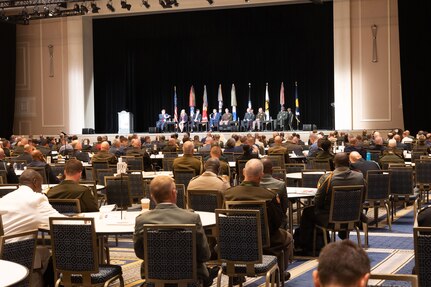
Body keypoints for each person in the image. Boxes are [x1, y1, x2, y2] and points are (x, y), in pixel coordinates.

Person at [133, 175, 218, 287]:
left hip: (155, 278)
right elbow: (205, 255)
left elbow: (140, 254)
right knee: (209, 274)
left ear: (152, 196)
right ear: (174, 192)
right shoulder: (192, 218)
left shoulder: (141, 220)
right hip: (190, 279)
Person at [223, 159, 293, 280]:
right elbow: (277, 222)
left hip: (237, 241)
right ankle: (278, 274)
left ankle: (236, 275)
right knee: (288, 237)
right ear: (261, 175)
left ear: (244, 172)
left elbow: (224, 219)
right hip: (266, 242)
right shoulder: (269, 195)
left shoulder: (229, 194)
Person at [0, 169, 64, 286]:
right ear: (35, 182)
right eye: (41, 184)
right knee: (46, 253)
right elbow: (60, 222)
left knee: (42, 252)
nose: (41, 188)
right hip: (17, 252)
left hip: (2, 250)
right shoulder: (36, 199)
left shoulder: (4, 198)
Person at [295, 153, 366, 254]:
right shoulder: (360, 177)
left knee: (307, 211)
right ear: (349, 163)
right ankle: (343, 234)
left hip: (330, 219)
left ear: (334, 163)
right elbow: (362, 199)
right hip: (353, 217)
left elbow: (317, 201)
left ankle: (304, 245)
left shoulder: (327, 178)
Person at [260, 158, 288, 229]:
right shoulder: (281, 184)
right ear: (272, 170)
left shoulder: (254, 185)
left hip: (257, 224)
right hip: (276, 225)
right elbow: (284, 208)